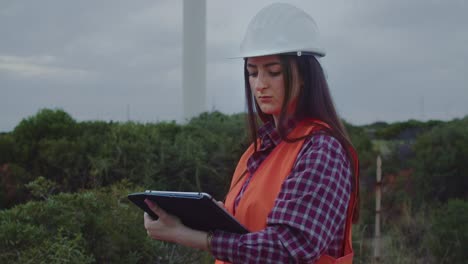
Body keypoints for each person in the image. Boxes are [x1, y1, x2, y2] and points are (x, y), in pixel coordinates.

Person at [144, 3, 359, 263]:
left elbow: (289, 249)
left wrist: (188, 236)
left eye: (274, 71)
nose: (260, 84)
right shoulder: (258, 150)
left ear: (304, 76)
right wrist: (206, 220)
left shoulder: (322, 150)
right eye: (252, 72)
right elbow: (251, 228)